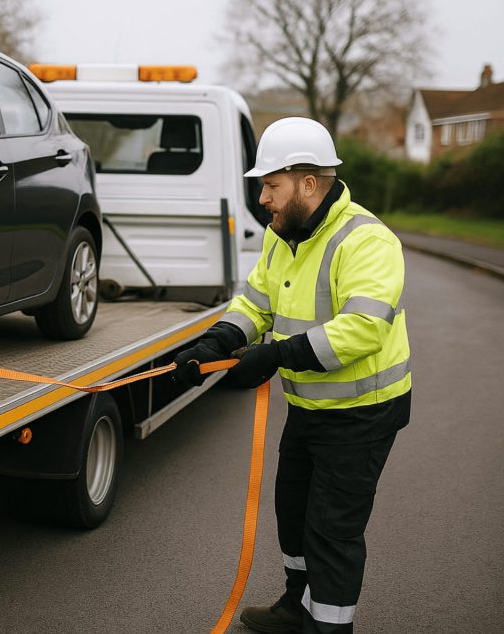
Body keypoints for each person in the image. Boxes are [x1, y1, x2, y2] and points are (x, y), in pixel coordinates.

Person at [173, 117, 411, 634]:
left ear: (308, 183)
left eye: (270, 185)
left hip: (362, 414)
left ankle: (329, 627)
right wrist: (218, 340)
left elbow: (364, 328)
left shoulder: (368, 240)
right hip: (309, 407)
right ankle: (296, 608)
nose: (262, 198)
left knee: (332, 530)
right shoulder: (284, 235)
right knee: (294, 514)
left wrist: (278, 356)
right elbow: (256, 302)